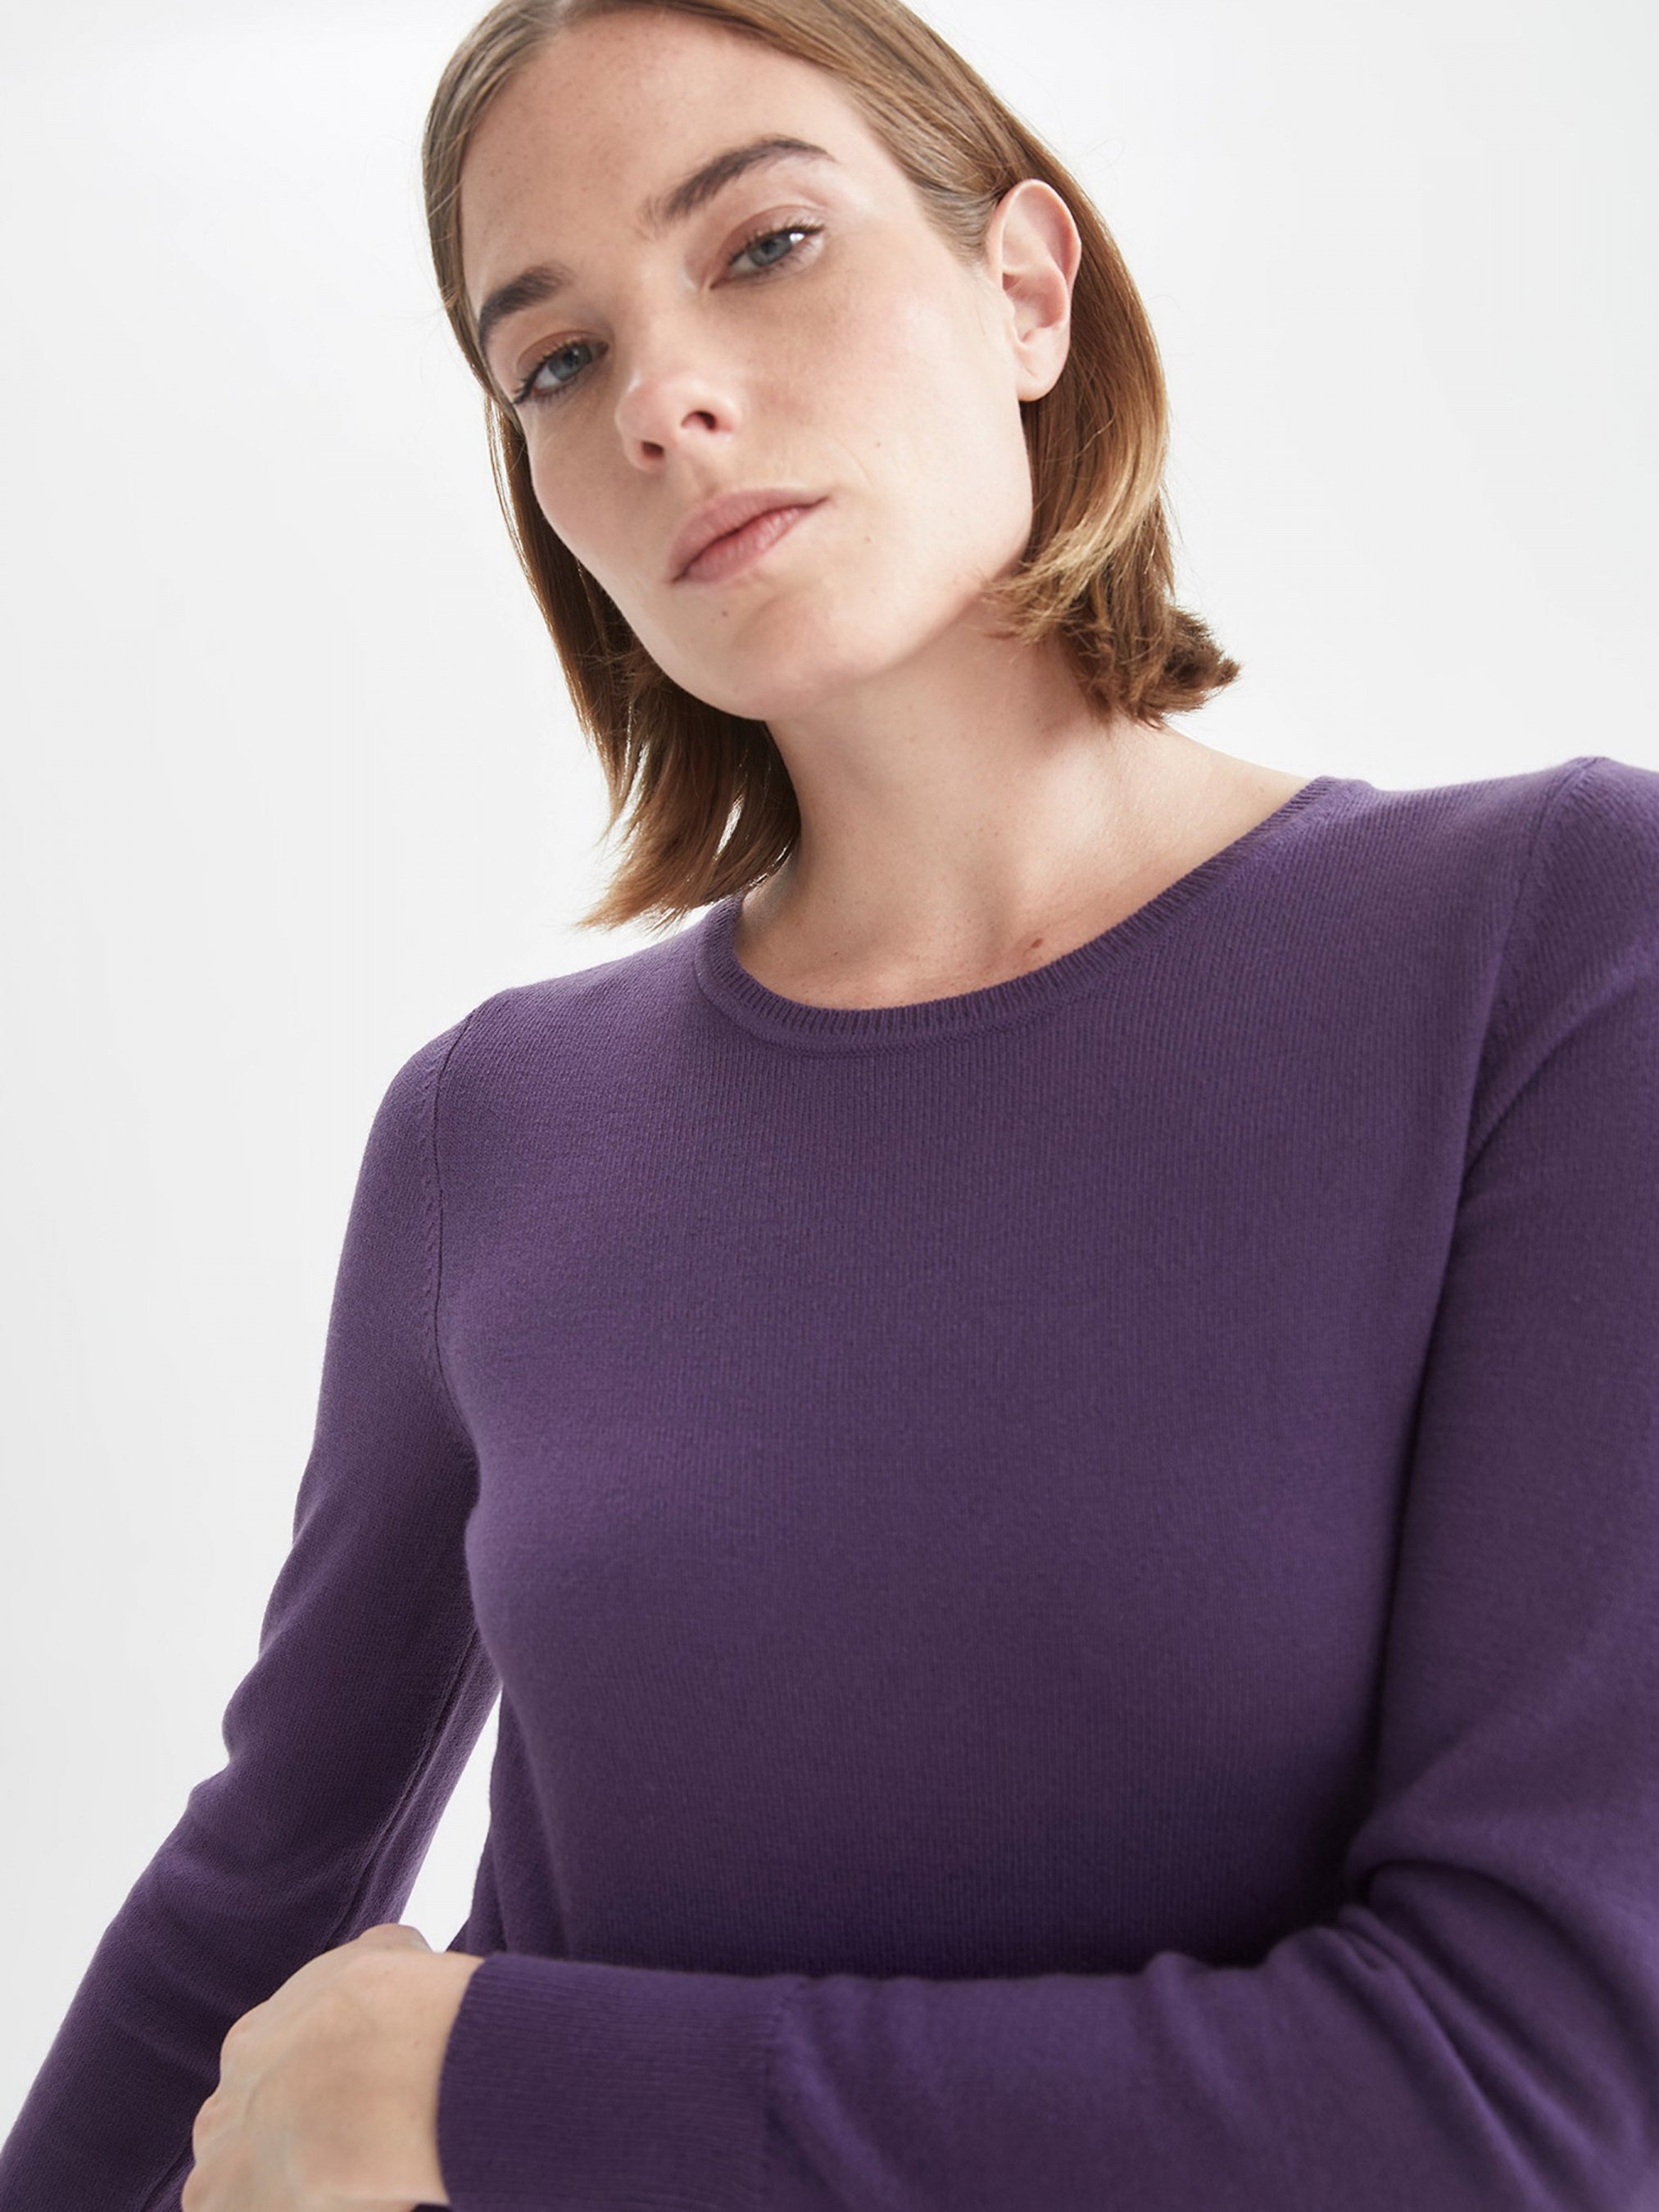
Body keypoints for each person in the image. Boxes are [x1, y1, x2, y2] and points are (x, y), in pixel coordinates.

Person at [4, 1, 1658, 2208]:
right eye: (554, 361)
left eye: (763, 244)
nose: (663, 399)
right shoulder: (488, 1130)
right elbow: (251, 1892)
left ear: (1027, 290)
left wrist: (488, 2087)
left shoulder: (1550, 946)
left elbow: (1530, 2102)